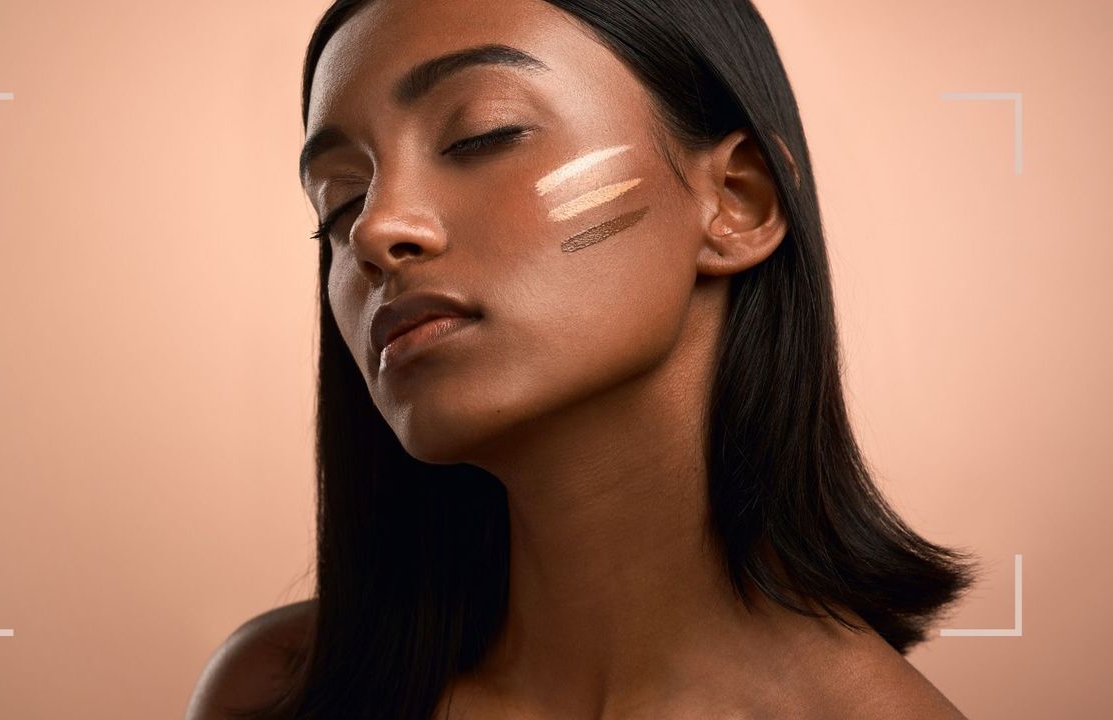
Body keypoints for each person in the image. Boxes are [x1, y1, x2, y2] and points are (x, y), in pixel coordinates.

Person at [187, 1, 981, 718]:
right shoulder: (272, 693)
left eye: (481, 135)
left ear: (738, 201)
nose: (376, 228)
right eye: (338, 199)